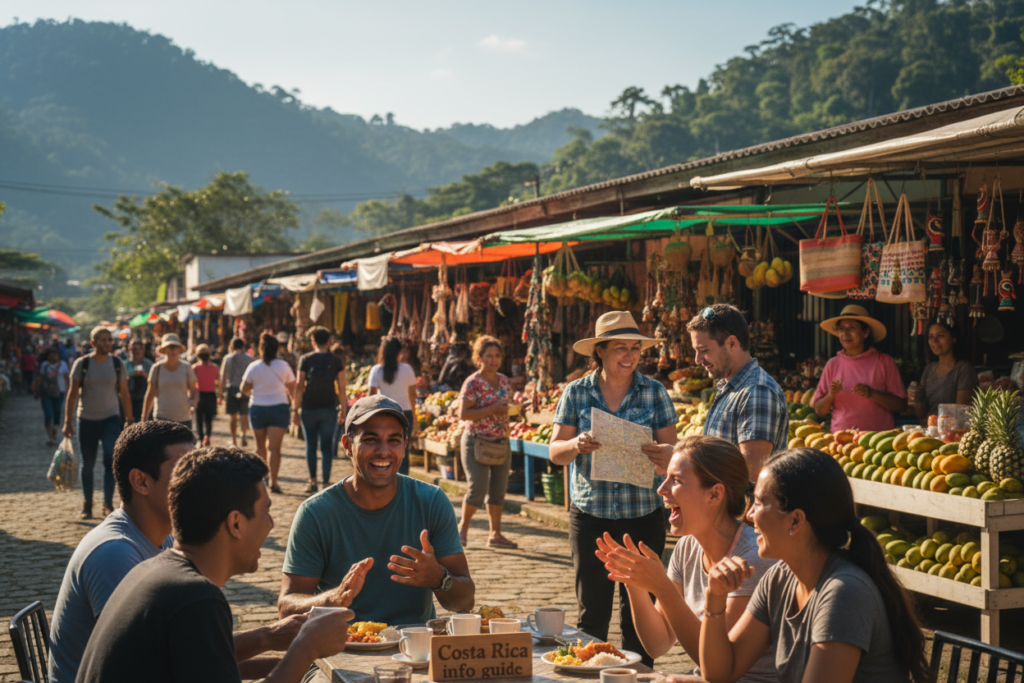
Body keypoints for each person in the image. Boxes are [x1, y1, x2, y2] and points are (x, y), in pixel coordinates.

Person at [76, 447, 356, 683]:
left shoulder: (156, 571)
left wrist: (271, 641)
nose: (271, 525)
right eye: (266, 512)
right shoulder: (196, 598)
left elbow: (204, 666)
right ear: (235, 523)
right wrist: (306, 648)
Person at [699, 448, 930, 683]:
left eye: (759, 503)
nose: (749, 515)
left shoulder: (844, 593)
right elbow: (720, 673)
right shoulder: (778, 579)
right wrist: (715, 597)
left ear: (796, 520)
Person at [549, 310, 678, 667]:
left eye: (635, 348)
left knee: (640, 612)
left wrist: (663, 455)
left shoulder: (655, 393)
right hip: (591, 515)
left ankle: (640, 674)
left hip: (643, 516)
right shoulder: (576, 392)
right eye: (620, 347)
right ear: (600, 351)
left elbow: (674, 456)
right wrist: (577, 444)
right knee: (592, 611)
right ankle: (591, 671)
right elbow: (555, 452)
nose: (630, 355)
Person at [278, 395, 474, 628]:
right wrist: (333, 598)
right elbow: (286, 609)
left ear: (405, 446)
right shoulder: (316, 513)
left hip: (414, 649)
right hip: (339, 650)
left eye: (394, 440)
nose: (384, 451)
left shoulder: (431, 501)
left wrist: (439, 578)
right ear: (347, 446)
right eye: (371, 440)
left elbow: (465, 602)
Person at [596, 436, 777, 683]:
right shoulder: (687, 546)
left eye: (677, 480)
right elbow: (657, 644)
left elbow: (717, 667)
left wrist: (661, 586)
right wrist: (634, 583)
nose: (661, 489)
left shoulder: (752, 560)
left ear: (715, 494)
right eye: (665, 477)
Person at [686, 304, 788, 483]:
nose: (698, 360)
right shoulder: (731, 387)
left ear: (731, 343)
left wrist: (688, 462)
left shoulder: (757, 392)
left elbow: (750, 475)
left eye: (704, 351)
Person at [64, 326, 134, 520]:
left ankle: (108, 503)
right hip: (87, 419)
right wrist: (67, 421)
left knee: (111, 459)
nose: (107, 343)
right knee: (88, 463)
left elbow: (124, 393)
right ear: (93, 343)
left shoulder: (117, 363)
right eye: (103, 340)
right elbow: (72, 395)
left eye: (109, 340)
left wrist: (129, 419)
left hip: (111, 418)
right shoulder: (82, 363)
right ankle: (87, 503)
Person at [456, 335, 515, 548]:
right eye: (489, 356)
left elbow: (505, 406)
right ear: (480, 357)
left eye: (497, 355)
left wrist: (516, 408)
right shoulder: (472, 383)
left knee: (499, 490)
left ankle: (495, 534)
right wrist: (492, 409)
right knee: (477, 488)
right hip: (477, 441)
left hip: (501, 441)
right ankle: (462, 529)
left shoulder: (504, 381)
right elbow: (463, 414)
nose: (494, 360)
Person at [812, 304, 907, 432]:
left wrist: (872, 393)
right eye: (841, 328)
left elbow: (901, 406)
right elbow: (819, 410)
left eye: (852, 327)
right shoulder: (832, 364)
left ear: (865, 332)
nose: (845, 333)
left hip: (877, 442)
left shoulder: (884, 361)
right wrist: (830, 395)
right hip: (841, 441)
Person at [293, 327, 347, 493]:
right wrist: (344, 409)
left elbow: (299, 386)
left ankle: (312, 481)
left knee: (310, 445)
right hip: (329, 408)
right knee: (326, 447)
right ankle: (325, 483)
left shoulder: (305, 359)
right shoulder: (336, 360)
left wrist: (295, 409)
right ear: (329, 341)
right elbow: (342, 387)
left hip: (309, 408)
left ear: (313, 341)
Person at [242, 333, 296, 494]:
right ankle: (273, 482)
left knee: (260, 448)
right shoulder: (284, 366)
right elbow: (293, 388)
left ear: (260, 349)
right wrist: (294, 406)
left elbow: (243, 389)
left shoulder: (254, 367)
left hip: (258, 408)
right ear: (277, 349)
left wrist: (255, 393)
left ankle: (261, 479)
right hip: (279, 408)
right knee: (274, 448)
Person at [369, 336, 418, 478]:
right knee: (403, 450)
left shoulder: (377, 371)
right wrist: (414, 414)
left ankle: (385, 478)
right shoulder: (407, 369)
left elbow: (371, 396)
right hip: (405, 413)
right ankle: (402, 482)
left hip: (384, 414)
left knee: (383, 449)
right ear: (399, 352)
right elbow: (412, 395)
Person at [915, 321, 978, 421]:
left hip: (953, 432)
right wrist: (917, 397)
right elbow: (922, 414)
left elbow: (961, 413)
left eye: (940, 336)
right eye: (930, 337)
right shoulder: (928, 369)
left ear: (954, 338)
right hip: (930, 430)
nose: (934, 341)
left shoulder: (963, 369)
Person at [143, 334, 197, 427]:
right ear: (164, 350)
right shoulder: (157, 368)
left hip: (183, 418)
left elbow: (194, 391)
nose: (173, 350)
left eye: (175, 347)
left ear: (179, 350)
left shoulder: (186, 367)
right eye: (169, 347)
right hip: (162, 418)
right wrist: (144, 417)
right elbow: (150, 394)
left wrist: (194, 404)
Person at [220, 337, 255, 447]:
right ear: (243, 347)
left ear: (232, 346)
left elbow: (223, 377)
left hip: (232, 388)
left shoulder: (228, 358)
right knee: (244, 415)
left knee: (233, 417)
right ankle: (243, 434)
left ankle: (234, 441)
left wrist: (221, 392)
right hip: (246, 387)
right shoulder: (250, 359)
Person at [36, 346, 70, 446]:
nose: (54, 356)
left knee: (57, 412)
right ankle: (50, 437)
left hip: (60, 391)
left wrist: (69, 392)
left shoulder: (63, 364)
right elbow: (40, 378)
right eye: (52, 354)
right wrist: (37, 391)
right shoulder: (44, 365)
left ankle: (55, 428)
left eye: (55, 354)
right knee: (48, 414)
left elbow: (67, 378)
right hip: (46, 392)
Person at [192, 344, 220, 446]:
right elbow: (218, 383)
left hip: (199, 395)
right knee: (209, 419)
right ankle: (207, 436)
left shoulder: (195, 367)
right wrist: (220, 396)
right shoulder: (215, 368)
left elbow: (191, 384)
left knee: (199, 418)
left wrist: (191, 397)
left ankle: (200, 439)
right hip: (211, 395)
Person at [126, 340, 154, 428]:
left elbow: (155, 382)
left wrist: (145, 375)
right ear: (130, 350)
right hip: (129, 400)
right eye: (134, 349)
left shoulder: (149, 364)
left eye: (139, 349)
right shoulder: (125, 364)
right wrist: (131, 375)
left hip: (145, 399)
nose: (136, 351)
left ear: (143, 350)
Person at [329, 342, 348, 461]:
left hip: (337, 397)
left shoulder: (333, 364)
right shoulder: (335, 366)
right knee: (336, 426)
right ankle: (333, 451)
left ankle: (334, 450)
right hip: (335, 398)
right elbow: (340, 386)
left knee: (339, 426)